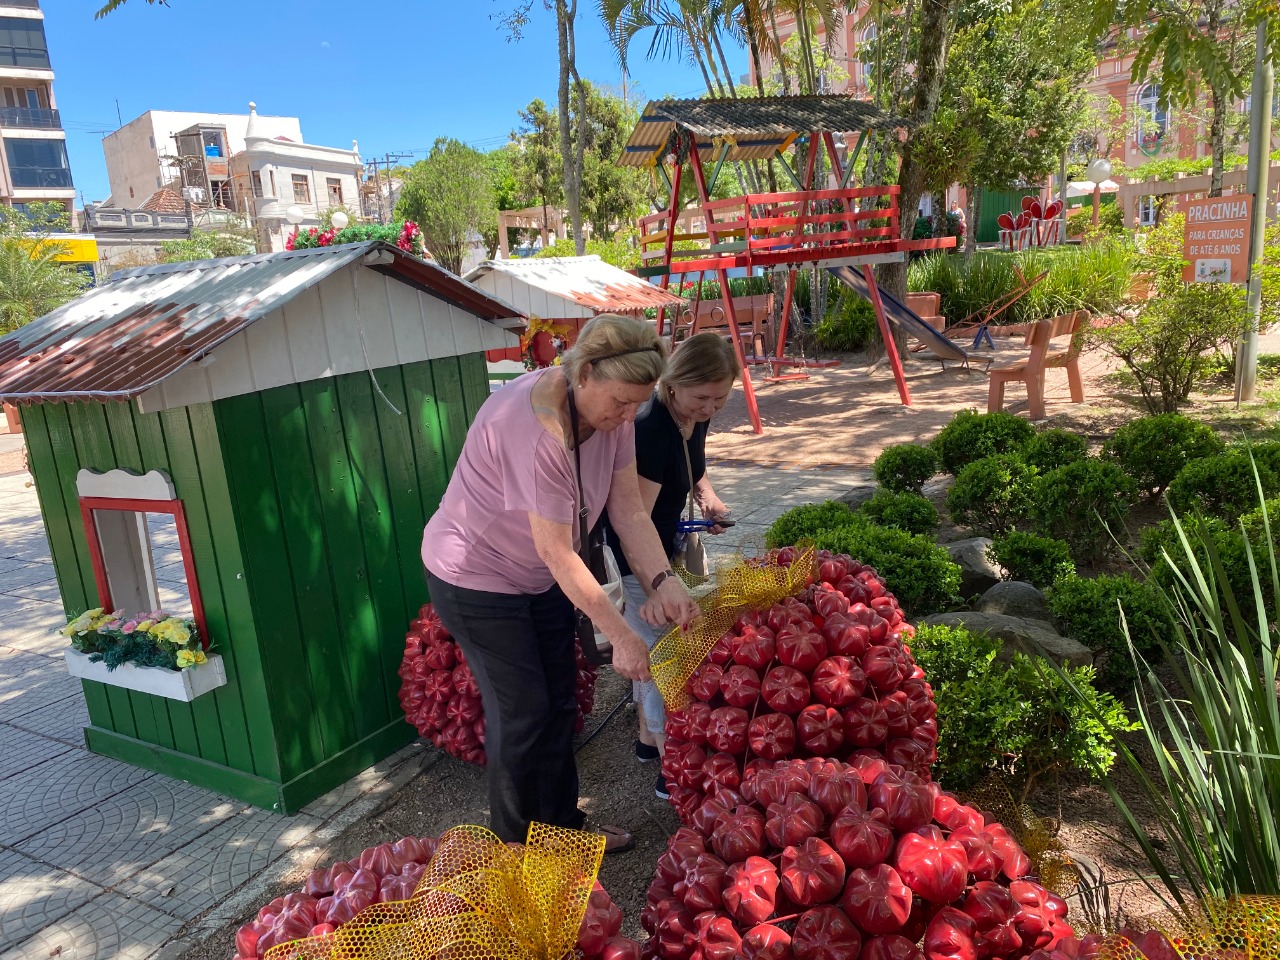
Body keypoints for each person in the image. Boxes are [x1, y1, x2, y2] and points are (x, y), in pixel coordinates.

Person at [421, 314, 701, 853]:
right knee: (523, 710)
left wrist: (664, 579)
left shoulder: (613, 420)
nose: (625, 417)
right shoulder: (535, 429)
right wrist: (622, 634)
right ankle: (514, 853)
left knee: (560, 701)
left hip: (540, 573)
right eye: (619, 401)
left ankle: (562, 833)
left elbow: (627, 509)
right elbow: (556, 551)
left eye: (636, 405)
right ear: (585, 372)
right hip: (474, 575)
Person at [601, 332, 740, 799]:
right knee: (668, 657)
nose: (710, 409)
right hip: (637, 561)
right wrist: (658, 587)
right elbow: (630, 520)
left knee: (658, 650)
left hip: (668, 549)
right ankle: (670, 764)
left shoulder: (689, 417)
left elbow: (694, 467)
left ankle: (646, 741)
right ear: (673, 383)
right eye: (703, 397)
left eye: (721, 399)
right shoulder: (650, 426)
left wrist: (710, 500)